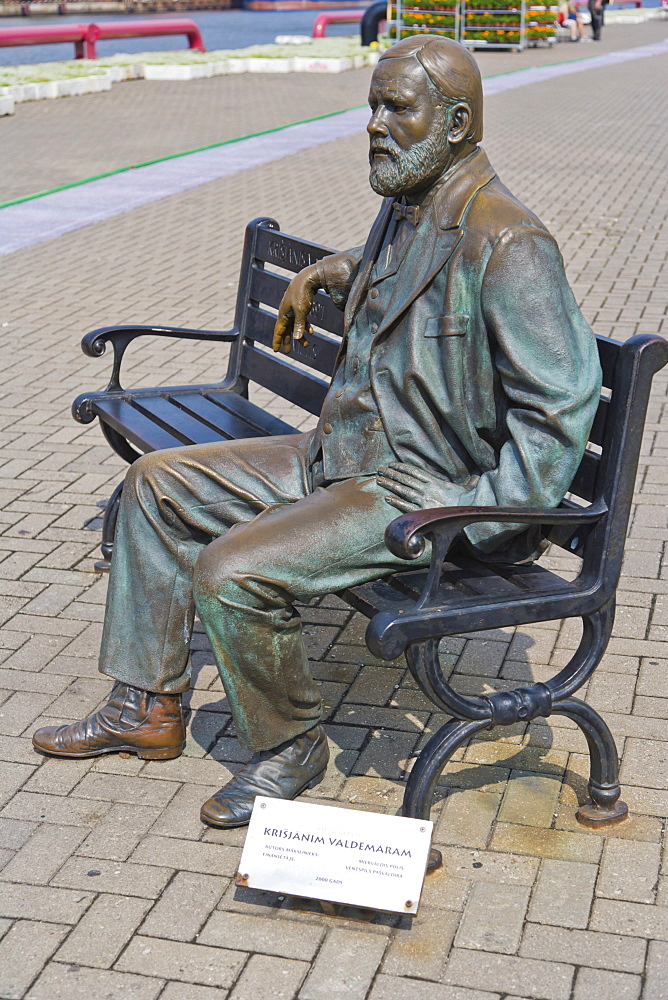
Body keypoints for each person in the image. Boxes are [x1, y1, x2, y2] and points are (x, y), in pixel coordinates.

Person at [32, 36, 602, 829]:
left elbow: (558, 408)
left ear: (459, 121)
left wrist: (475, 522)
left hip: (418, 490)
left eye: (397, 107)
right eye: (373, 105)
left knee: (232, 570)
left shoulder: (508, 240)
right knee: (154, 484)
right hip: (339, 458)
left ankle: (290, 745)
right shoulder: (409, 205)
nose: (375, 124)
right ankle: (146, 708)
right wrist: (327, 271)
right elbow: (407, 276)